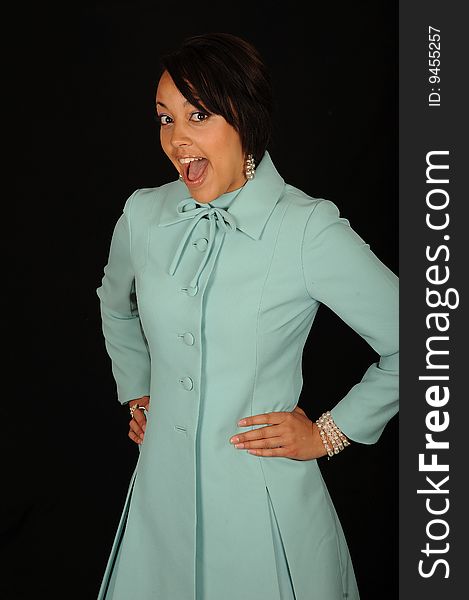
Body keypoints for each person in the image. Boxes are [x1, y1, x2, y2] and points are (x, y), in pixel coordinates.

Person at [96, 32, 398, 600]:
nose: (177, 140)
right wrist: (139, 392)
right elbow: (116, 304)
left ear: (244, 116)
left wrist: (330, 433)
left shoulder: (307, 228)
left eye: (198, 115)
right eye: (165, 119)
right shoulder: (143, 214)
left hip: (265, 514)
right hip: (159, 518)